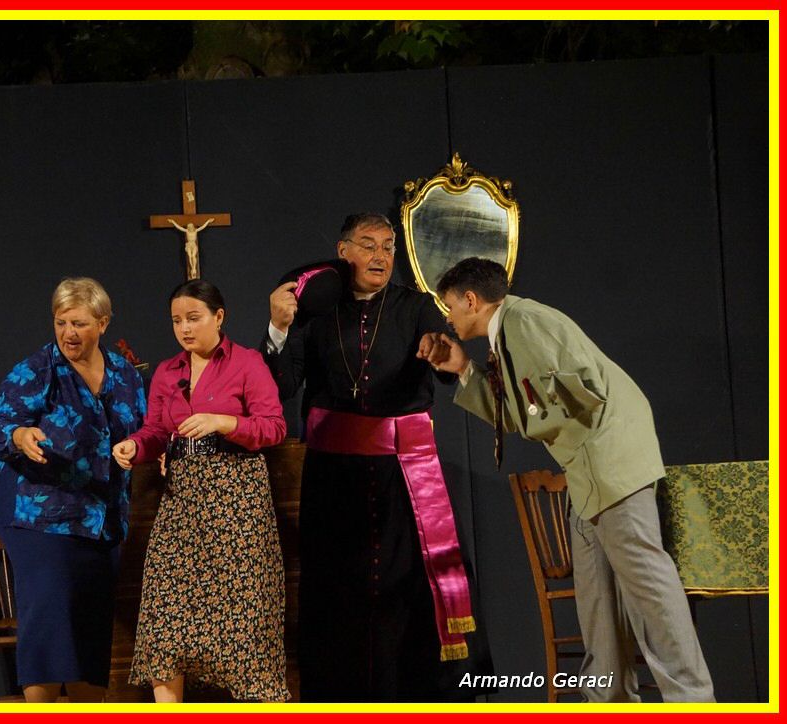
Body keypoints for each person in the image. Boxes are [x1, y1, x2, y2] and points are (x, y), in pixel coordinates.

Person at [425, 256, 715, 702]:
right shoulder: (509, 331)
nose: (448, 317)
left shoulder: (525, 322)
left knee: (649, 590)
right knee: (598, 600)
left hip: (608, 464)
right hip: (587, 472)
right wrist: (465, 370)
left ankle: (694, 702)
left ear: (470, 300)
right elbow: (521, 414)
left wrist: (540, 418)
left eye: (449, 306)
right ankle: (608, 703)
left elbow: (581, 387)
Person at [263, 213, 493, 702]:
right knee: (338, 591)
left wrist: (442, 351)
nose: (381, 256)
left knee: (405, 590)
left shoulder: (416, 306)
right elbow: (282, 386)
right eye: (368, 245)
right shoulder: (315, 310)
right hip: (333, 479)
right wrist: (278, 328)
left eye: (388, 246)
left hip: (403, 476)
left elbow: (447, 362)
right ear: (343, 251)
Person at [112, 279, 289, 703]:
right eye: (177, 321)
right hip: (182, 500)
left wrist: (224, 422)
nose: (185, 329)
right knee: (165, 616)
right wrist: (134, 446)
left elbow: (274, 427)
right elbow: (156, 431)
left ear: (218, 317)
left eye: (194, 318)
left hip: (236, 499)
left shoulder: (246, 363)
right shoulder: (167, 371)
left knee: (242, 619)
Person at [0, 277, 146, 703]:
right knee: (50, 617)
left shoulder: (125, 374)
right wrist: (20, 436)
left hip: (101, 518)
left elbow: (143, 428)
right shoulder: (37, 370)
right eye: (61, 323)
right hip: (39, 516)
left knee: (91, 625)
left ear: (103, 323)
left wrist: (144, 448)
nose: (68, 333)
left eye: (79, 323)